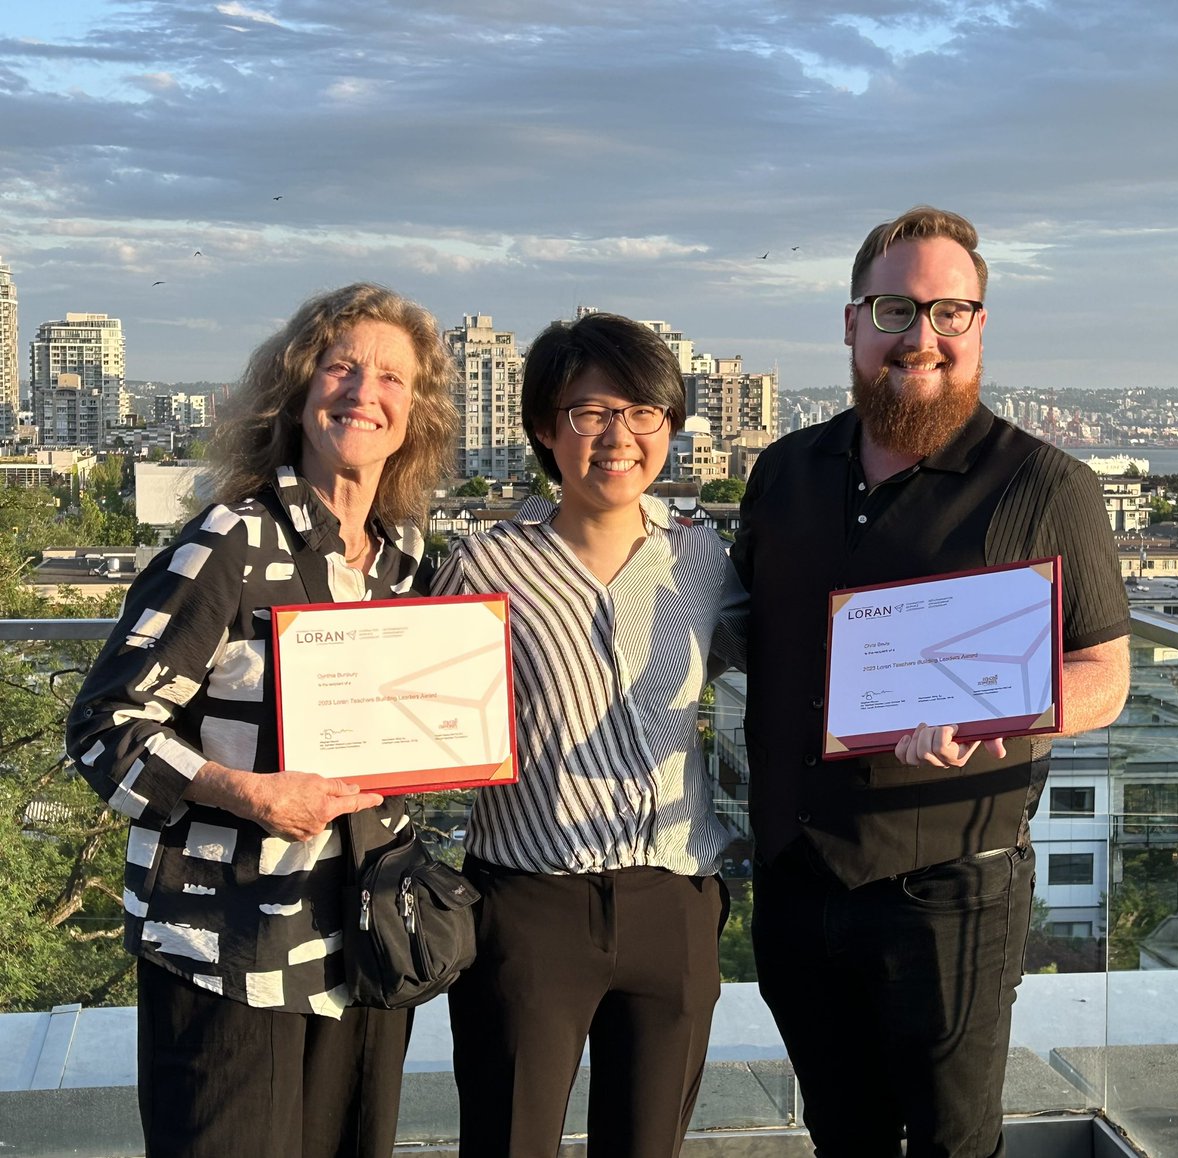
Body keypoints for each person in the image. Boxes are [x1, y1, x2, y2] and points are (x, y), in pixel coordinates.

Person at [731, 207, 1130, 1157]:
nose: (923, 337)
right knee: (842, 1135)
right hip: (796, 877)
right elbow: (740, 628)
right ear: (851, 325)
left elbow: (1106, 675)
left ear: (980, 325)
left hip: (951, 892)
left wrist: (1002, 709)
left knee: (955, 1145)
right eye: (895, 309)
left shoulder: (1047, 486)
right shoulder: (783, 471)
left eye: (950, 312)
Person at [66, 283, 458, 1158]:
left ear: (415, 413)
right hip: (228, 951)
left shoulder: (405, 556)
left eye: (392, 377)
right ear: (297, 389)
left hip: (357, 947)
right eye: (340, 367)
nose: (364, 392)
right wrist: (245, 792)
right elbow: (104, 728)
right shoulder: (229, 541)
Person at [429, 311, 746, 1158]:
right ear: (544, 427)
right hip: (530, 904)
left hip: (674, 898)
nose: (619, 437)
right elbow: (422, 710)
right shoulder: (485, 566)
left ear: (670, 428)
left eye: (643, 413)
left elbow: (796, 656)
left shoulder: (702, 560)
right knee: (508, 1141)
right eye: (590, 413)